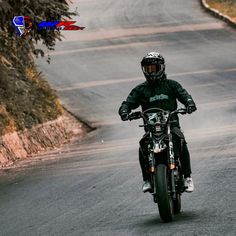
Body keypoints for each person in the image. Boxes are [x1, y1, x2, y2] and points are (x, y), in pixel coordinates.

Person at [118, 52, 197, 193]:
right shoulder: (140, 89)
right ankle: (147, 179)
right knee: (143, 145)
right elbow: (128, 103)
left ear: (161, 68)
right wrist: (124, 111)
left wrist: (189, 103)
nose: (151, 72)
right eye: (148, 69)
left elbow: (184, 95)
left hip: (171, 125)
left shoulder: (172, 85)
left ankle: (187, 177)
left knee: (180, 139)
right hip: (151, 129)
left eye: (154, 68)